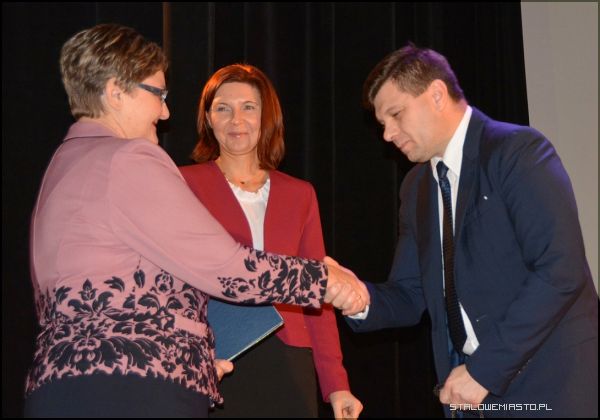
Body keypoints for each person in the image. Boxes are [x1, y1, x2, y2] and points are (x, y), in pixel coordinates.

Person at [23, 24, 367, 418]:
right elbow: (224, 267)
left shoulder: (63, 164)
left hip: (66, 382)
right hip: (131, 387)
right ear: (116, 92)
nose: (165, 112)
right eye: (158, 94)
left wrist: (193, 358)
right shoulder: (130, 159)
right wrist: (322, 280)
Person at [343, 44, 598, 417]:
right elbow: (410, 294)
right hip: (472, 396)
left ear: (436, 95)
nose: (388, 134)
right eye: (383, 123)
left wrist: (484, 370)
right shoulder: (416, 188)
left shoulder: (517, 151)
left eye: (396, 115)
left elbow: (561, 269)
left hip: (552, 386)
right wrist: (354, 296)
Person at [179, 64, 363, 419]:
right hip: (215, 356)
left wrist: (336, 383)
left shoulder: (300, 194)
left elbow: (319, 292)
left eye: (248, 107)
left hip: (290, 358)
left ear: (266, 117)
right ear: (208, 119)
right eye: (223, 108)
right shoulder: (183, 184)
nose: (236, 119)